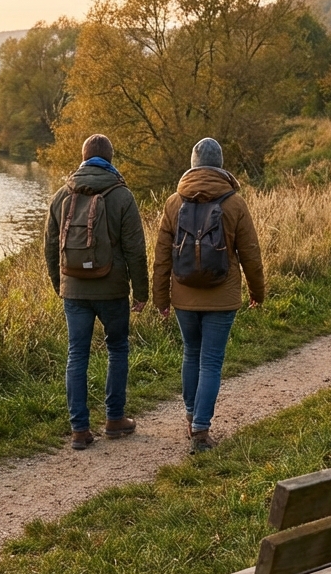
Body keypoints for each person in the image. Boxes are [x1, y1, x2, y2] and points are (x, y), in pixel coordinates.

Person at [152, 138, 265, 453]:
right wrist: (257, 292)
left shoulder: (173, 203)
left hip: (184, 295)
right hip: (222, 295)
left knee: (191, 354)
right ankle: (201, 431)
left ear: (192, 164)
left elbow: (162, 257)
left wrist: (161, 298)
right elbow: (250, 254)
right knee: (211, 361)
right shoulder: (235, 203)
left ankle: (192, 417)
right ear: (220, 164)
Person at [44, 134, 149, 450]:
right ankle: (115, 420)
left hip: (74, 289)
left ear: (83, 157)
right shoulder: (121, 195)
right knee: (117, 348)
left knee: (77, 354)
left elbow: (50, 247)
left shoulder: (61, 195)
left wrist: (60, 285)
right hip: (112, 289)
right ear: (110, 159)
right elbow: (135, 249)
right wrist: (141, 292)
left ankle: (79, 430)